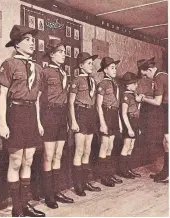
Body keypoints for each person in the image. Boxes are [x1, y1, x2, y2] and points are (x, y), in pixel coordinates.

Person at [0, 25, 45, 217]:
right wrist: (2, 123)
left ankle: (25, 205)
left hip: (31, 114)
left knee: (29, 160)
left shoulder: (38, 68)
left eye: (32, 40)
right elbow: (2, 96)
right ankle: (16, 208)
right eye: (27, 40)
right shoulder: (9, 64)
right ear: (17, 45)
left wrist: (39, 122)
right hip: (15, 112)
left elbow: (37, 100)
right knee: (16, 161)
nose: (31, 42)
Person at [37, 39, 74, 209]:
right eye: (59, 51)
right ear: (51, 54)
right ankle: (48, 194)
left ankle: (57, 190)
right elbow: (38, 98)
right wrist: (39, 121)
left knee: (58, 155)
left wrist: (67, 119)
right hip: (49, 114)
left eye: (64, 51)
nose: (63, 54)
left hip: (61, 115)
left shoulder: (64, 73)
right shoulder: (44, 72)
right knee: (49, 155)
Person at [69, 52, 101, 196]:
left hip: (90, 114)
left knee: (87, 150)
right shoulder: (76, 80)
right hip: (80, 113)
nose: (92, 65)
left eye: (92, 63)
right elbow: (70, 103)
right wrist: (73, 121)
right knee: (79, 150)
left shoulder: (93, 80)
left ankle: (86, 181)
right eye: (88, 63)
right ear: (81, 66)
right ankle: (78, 185)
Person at [136, 57, 168, 183]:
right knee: (167, 142)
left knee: (167, 142)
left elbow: (157, 101)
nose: (146, 78)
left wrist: (142, 99)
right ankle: (166, 172)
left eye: (145, 75)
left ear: (149, 70)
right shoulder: (165, 74)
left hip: (167, 109)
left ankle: (167, 173)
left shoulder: (158, 78)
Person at [96, 57, 123, 187]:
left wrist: (118, 121)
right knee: (104, 145)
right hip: (105, 114)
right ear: (105, 70)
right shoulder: (102, 84)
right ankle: (103, 177)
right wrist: (102, 123)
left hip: (113, 114)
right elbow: (98, 105)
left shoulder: (115, 84)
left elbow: (117, 105)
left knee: (111, 145)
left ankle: (109, 174)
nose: (114, 70)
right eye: (112, 68)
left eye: (115, 67)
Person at [119, 72, 142, 178]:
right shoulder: (125, 96)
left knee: (131, 146)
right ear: (129, 84)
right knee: (126, 145)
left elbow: (137, 110)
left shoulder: (134, 95)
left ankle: (128, 169)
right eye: (135, 83)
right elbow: (123, 113)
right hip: (129, 121)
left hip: (135, 121)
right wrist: (129, 129)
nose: (136, 85)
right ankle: (123, 170)